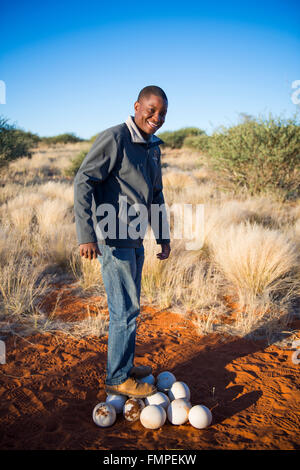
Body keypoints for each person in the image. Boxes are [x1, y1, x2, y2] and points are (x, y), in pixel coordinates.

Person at [74, 85, 171, 398]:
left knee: (131, 310)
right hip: (113, 240)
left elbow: (156, 195)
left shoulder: (152, 147)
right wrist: (87, 235)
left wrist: (163, 236)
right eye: (151, 110)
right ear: (137, 106)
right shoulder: (115, 138)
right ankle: (116, 377)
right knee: (124, 312)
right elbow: (84, 181)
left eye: (162, 114)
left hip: (136, 240)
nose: (156, 118)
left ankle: (124, 367)